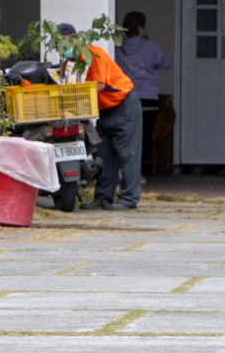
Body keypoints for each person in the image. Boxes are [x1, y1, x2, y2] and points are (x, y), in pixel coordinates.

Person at [57, 23, 143, 211]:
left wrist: (73, 95)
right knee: (103, 155)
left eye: (62, 44)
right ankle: (103, 198)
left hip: (124, 105)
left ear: (73, 39)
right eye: (56, 45)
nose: (60, 49)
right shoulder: (68, 63)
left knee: (128, 155)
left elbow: (99, 86)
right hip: (104, 110)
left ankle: (129, 199)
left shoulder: (95, 54)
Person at [114, 11, 172, 175]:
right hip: (148, 99)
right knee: (145, 138)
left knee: (125, 137)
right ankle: (138, 174)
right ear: (140, 27)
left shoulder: (117, 47)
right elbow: (167, 63)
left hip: (124, 98)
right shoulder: (150, 47)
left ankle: (122, 173)